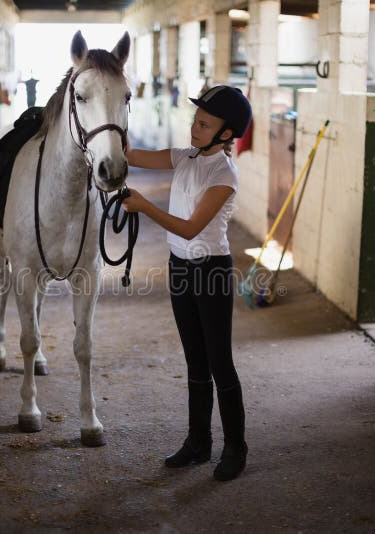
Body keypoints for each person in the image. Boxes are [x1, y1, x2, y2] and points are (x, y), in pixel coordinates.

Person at [122, 85, 252, 481]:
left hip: (210, 271)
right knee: (195, 360)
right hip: (179, 267)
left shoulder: (223, 173)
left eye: (204, 124)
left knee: (219, 363)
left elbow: (193, 228)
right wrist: (114, 114)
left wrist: (144, 206)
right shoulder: (187, 157)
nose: (194, 128)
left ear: (226, 134)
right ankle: (199, 443)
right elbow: (129, 154)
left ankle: (235, 448)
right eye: (195, 121)